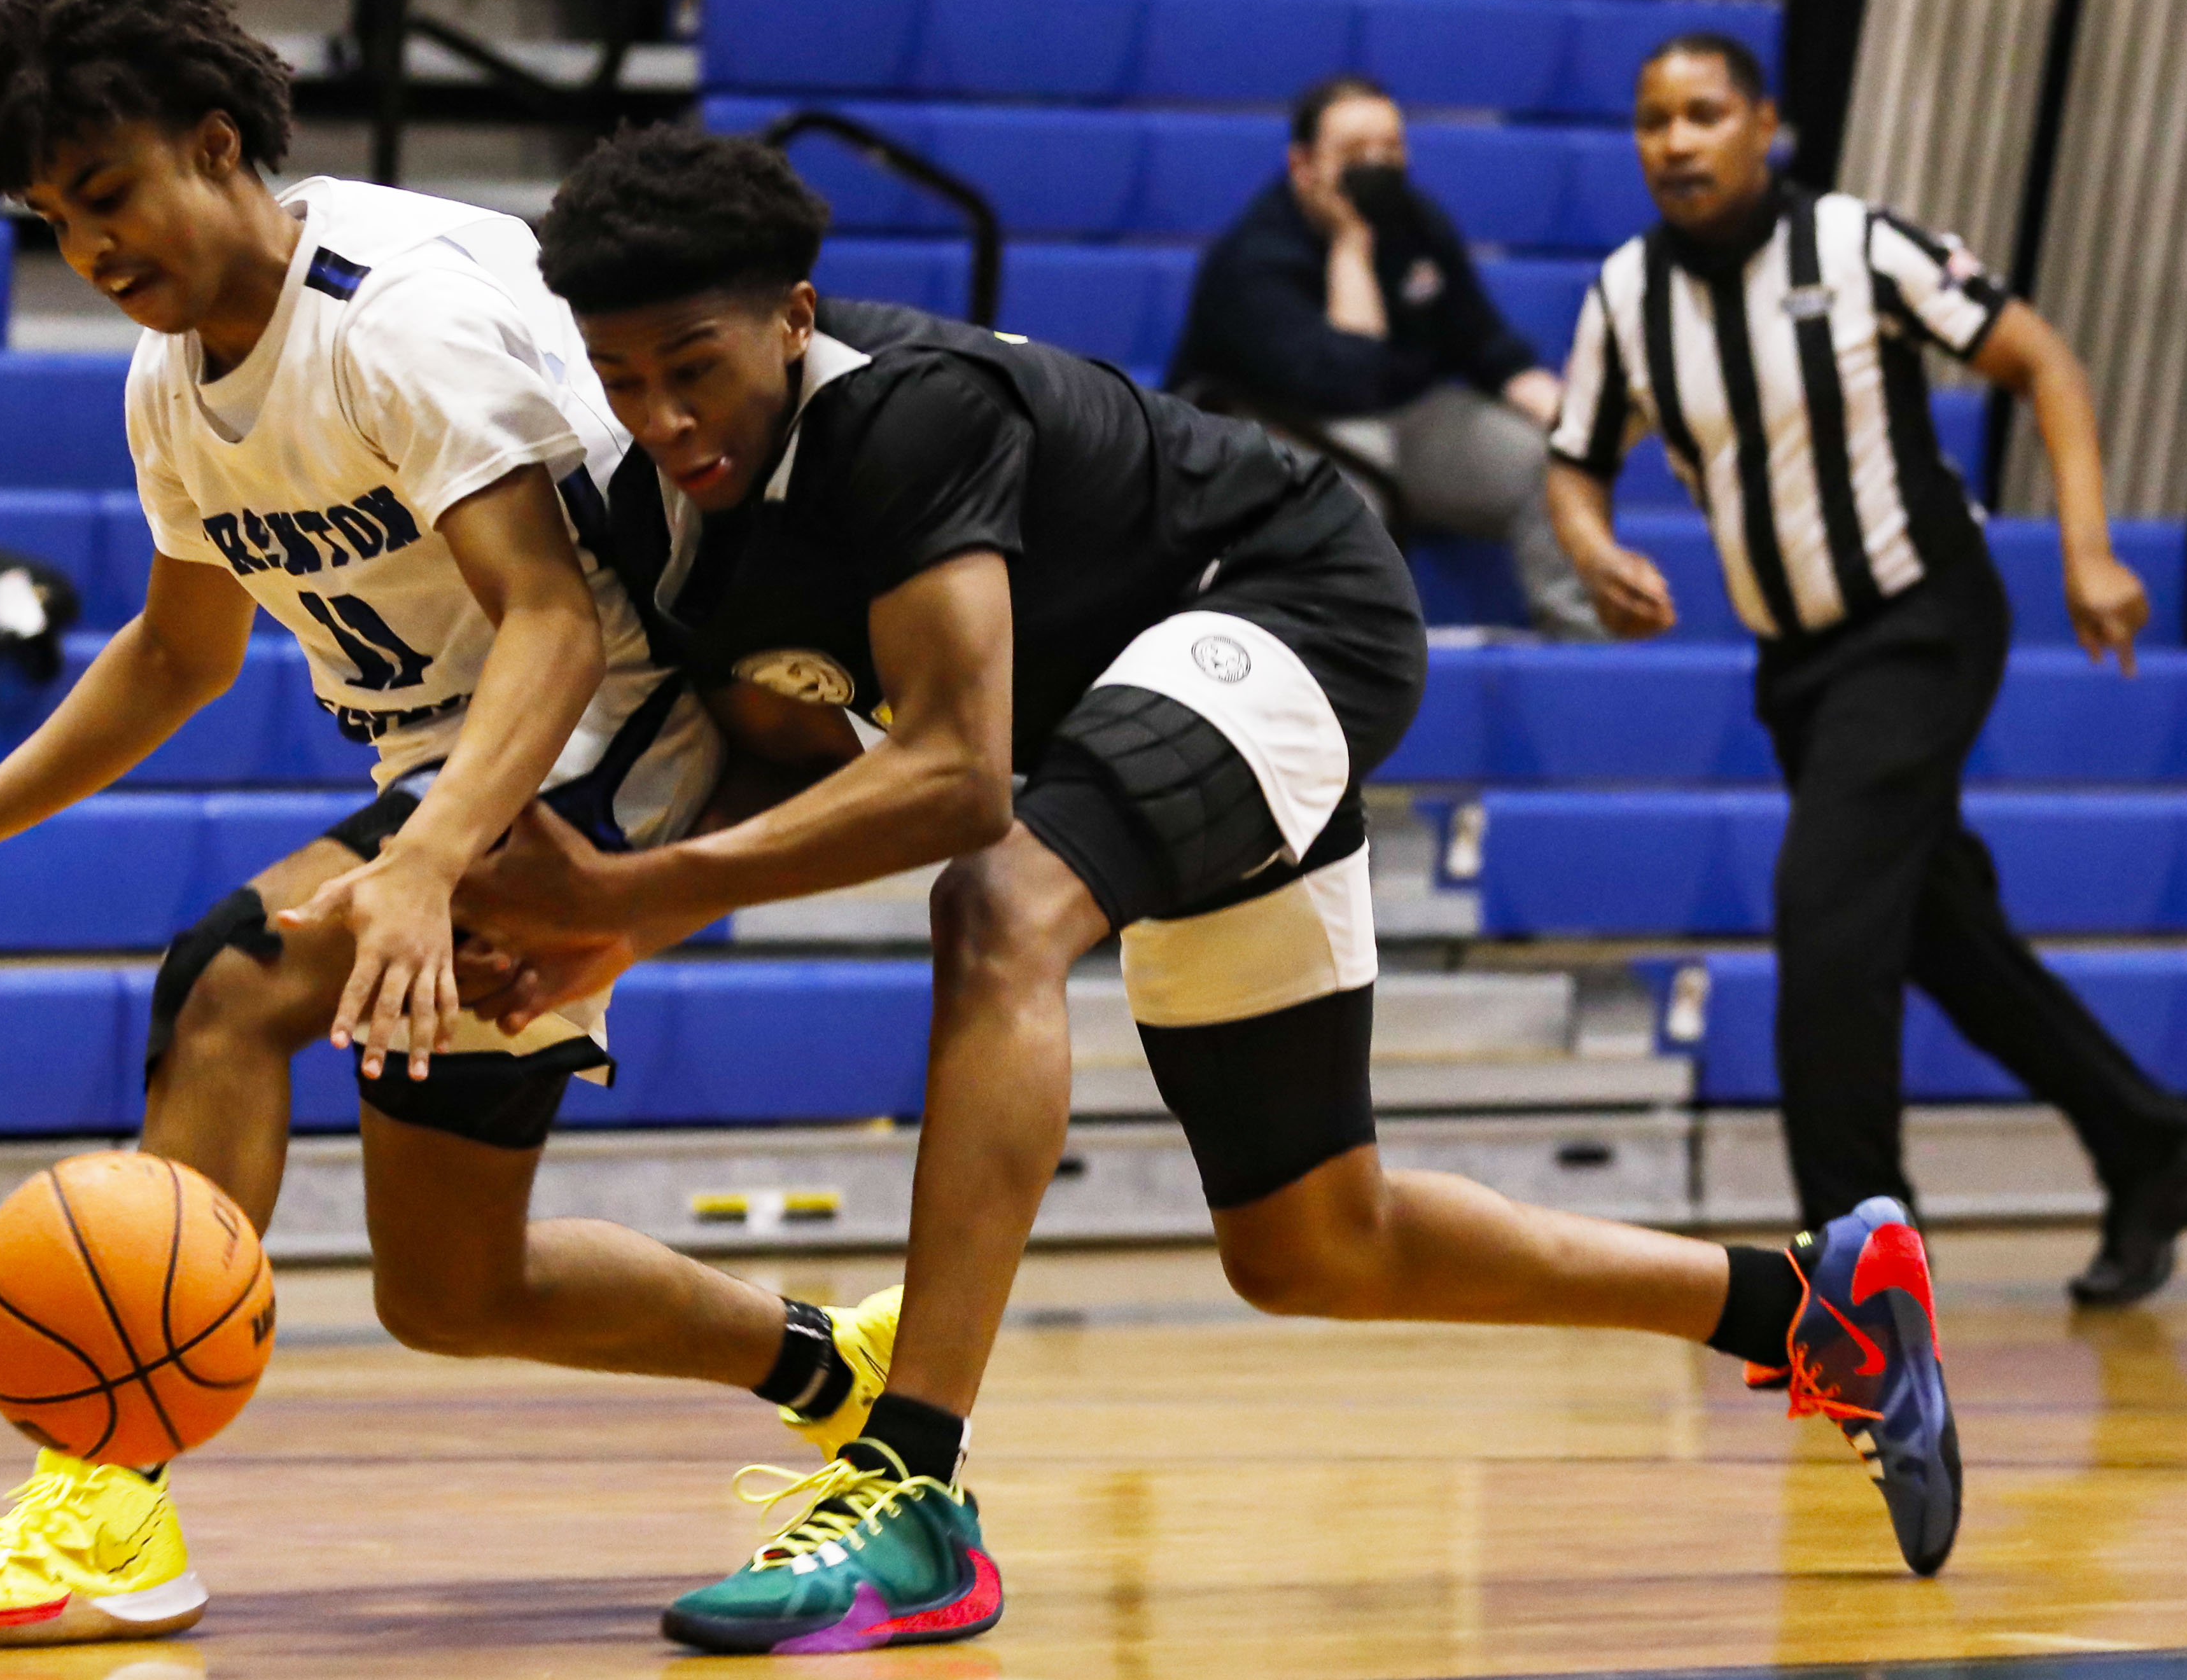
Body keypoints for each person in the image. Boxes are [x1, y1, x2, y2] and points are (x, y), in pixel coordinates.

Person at [451, 124, 1966, 1656]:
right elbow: (780, 759)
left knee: (998, 903)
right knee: (1312, 1243)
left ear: (791, 313)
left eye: (691, 366)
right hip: (1132, 728)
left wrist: (641, 899)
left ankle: (913, 1484)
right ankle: (1807, 1306)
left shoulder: (902, 414)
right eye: (622, 378)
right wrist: (605, 910)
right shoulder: (657, 524)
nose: (662, 416)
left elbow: (961, 781)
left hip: (1277, 605)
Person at [0, 0, 900, 1649]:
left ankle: (108, 1503)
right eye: (54, 222)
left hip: (625, 734)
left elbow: (556, 628)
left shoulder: (395, 313)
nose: (91, 244)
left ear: (218, 141)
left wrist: (429, 860)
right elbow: (175, 654)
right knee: (453, 1290)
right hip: (480, 769)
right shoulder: (171, 385)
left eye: (107, 190)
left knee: (226, 982)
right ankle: (840, 1367)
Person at [1544, 31, 2187, 1308]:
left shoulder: (1860, 245)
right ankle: (2153, 1147)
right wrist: (1593, 550)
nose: (1675, 141)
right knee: (1939, 931)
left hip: (1921, 620)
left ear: (1767, 128)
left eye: (1702, 114)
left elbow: (2044, 361)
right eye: (1651, 120)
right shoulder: (1625, 295)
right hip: (1796, 662)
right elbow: (1575, 456)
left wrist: (2086, 549)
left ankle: (1865, 1263)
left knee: (1825, 906)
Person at [1168, 74, 1604, 639]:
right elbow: (1348, 379)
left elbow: (1482, 342)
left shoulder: (1417, 222)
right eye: (1354, 153)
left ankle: (1580, 644)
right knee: (1348, 482)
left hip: (1402, 419)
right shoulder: (1251, 261)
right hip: (1270, 426)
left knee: (1547, 462)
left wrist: (1576, 418)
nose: (1377, 165)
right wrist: (1351, 245)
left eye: (1390, 148)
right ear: (1303, 166)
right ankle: (1354, 658)